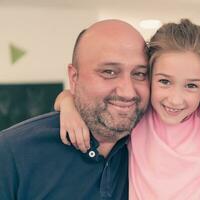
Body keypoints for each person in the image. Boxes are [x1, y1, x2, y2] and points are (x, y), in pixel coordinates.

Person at [55, 19, 200, 199]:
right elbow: (71, 93)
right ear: (148, 77)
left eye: (191, 86)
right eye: (164, 81)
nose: (175, 99)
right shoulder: (141, 115)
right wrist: (68, 104)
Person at [0, 19, 149, 200]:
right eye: (109, 72)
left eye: (140, 74)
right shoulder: (11, 153)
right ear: (74, 77)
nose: (127, 92)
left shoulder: (158, 146)